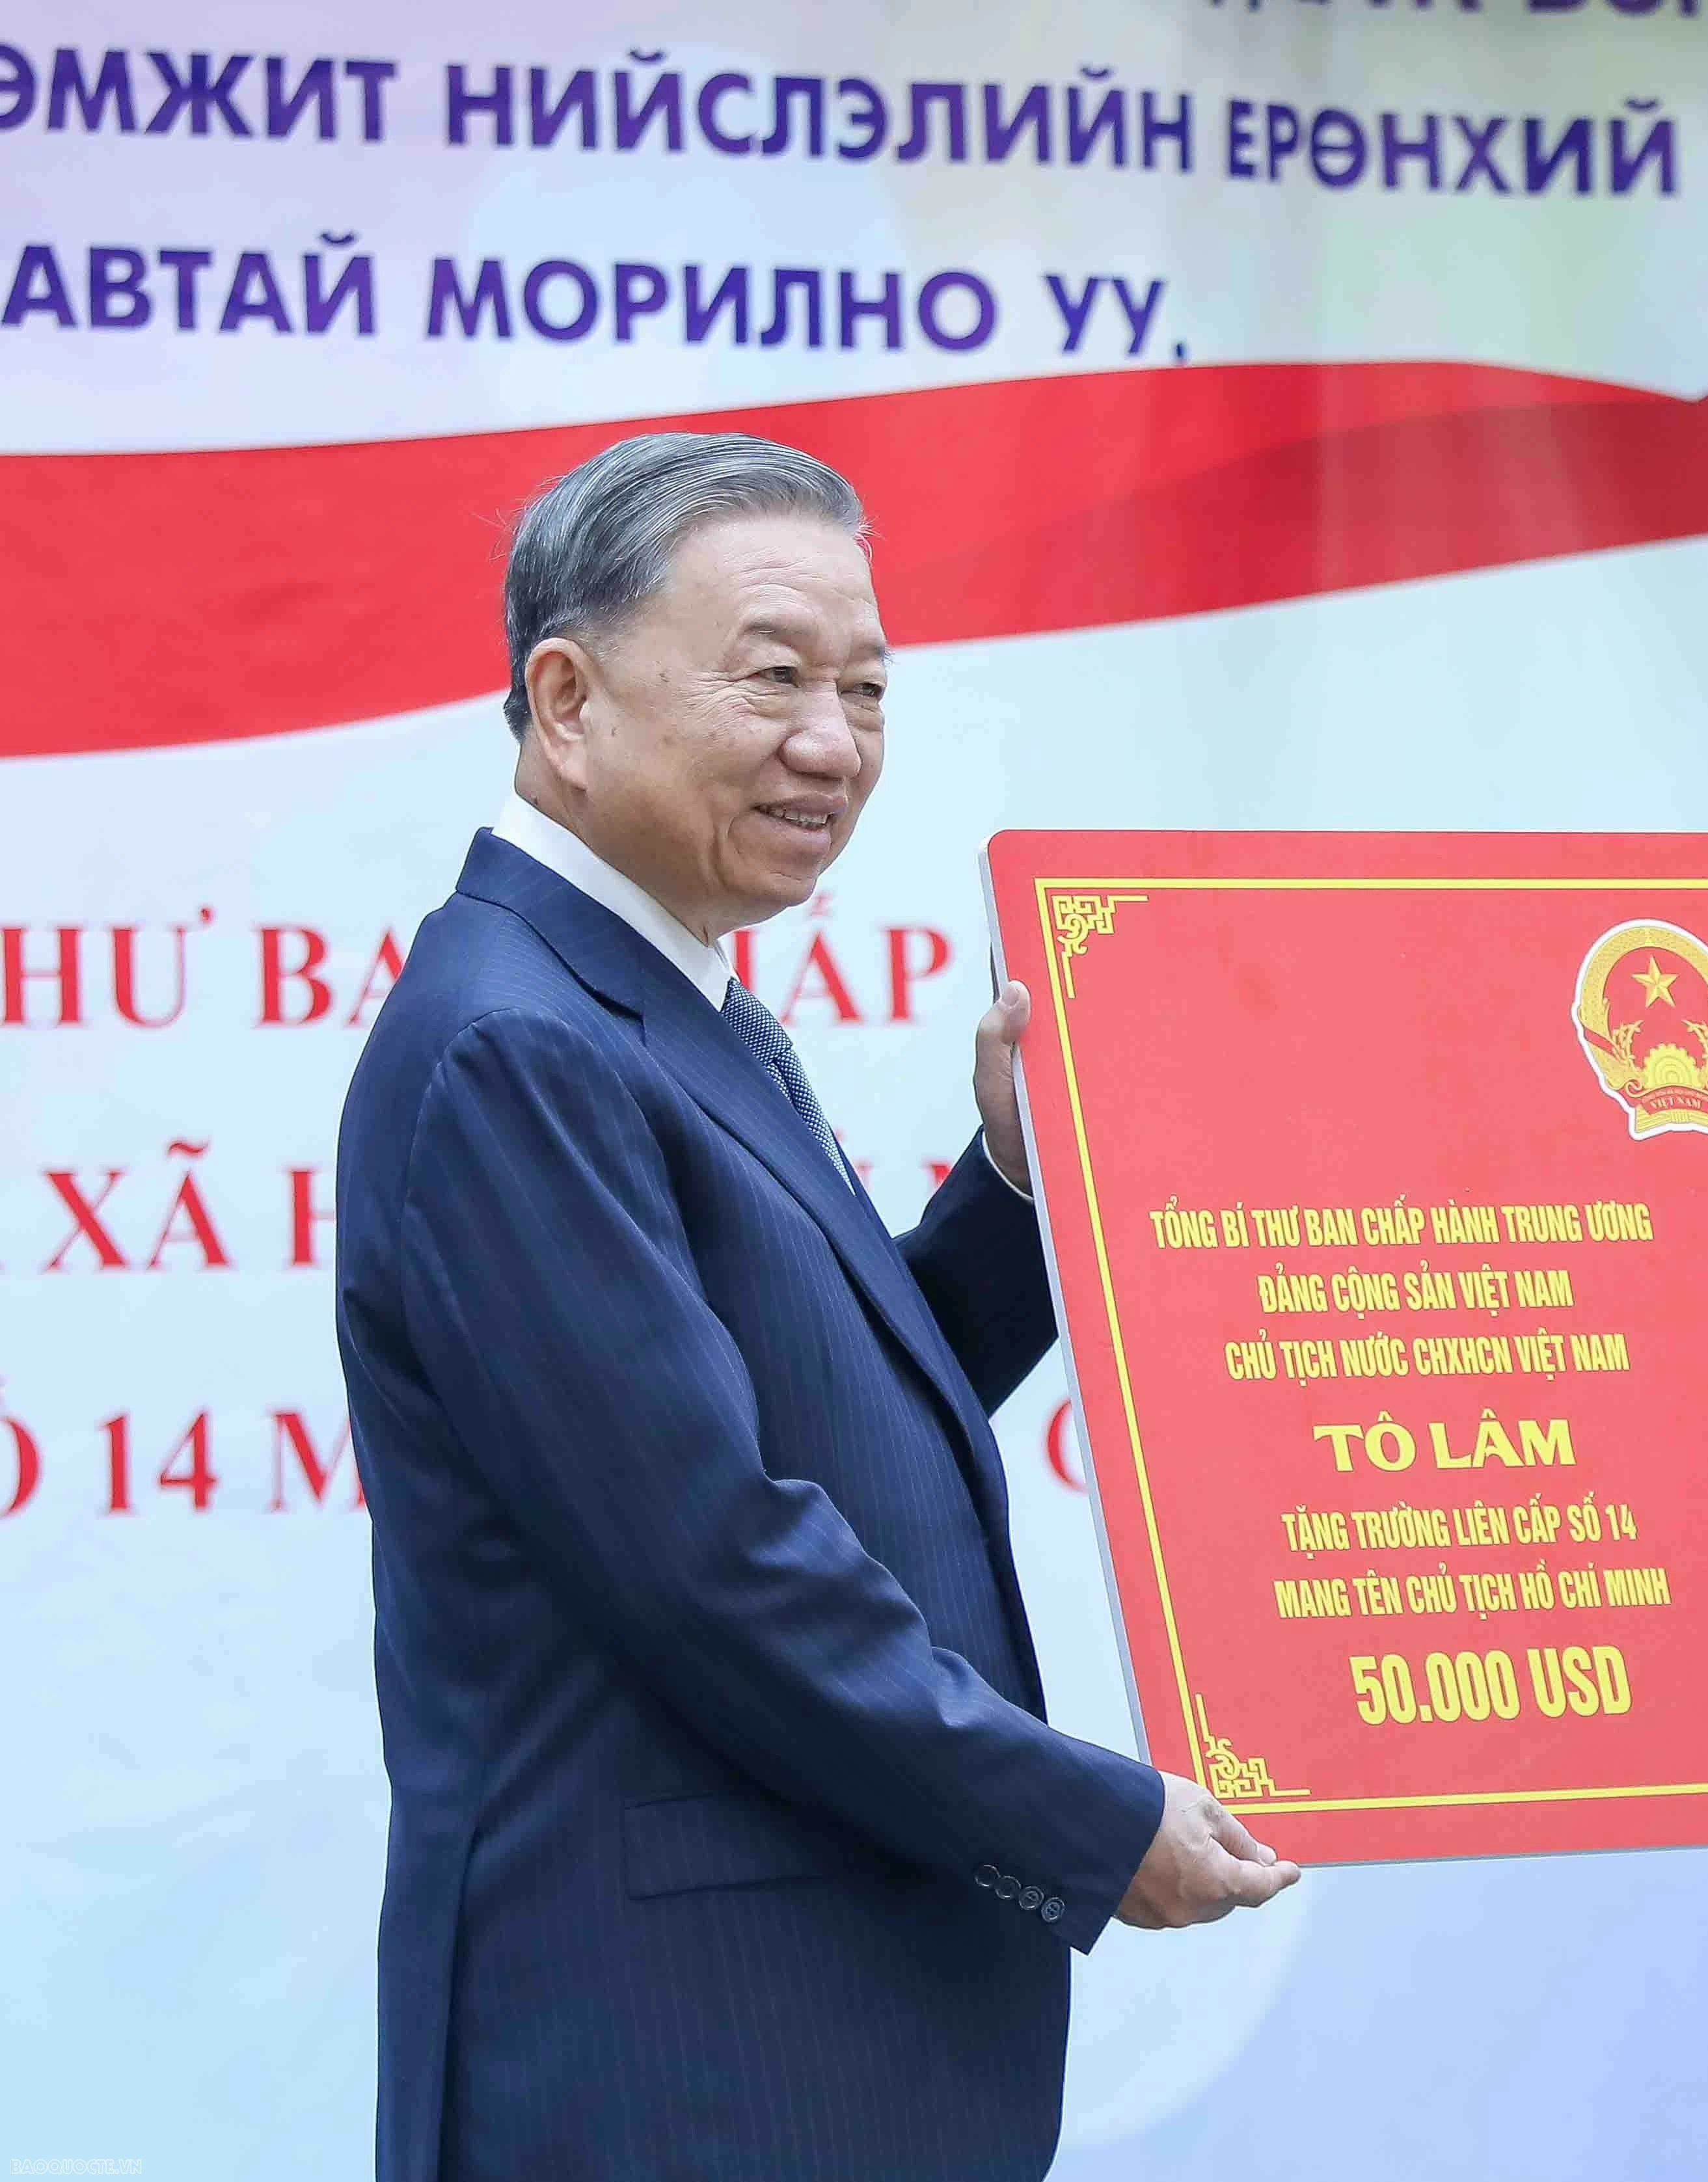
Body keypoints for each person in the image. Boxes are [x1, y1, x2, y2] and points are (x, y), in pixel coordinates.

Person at [334, 432, 1299, 2182]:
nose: (833, 744)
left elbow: (830, 1407)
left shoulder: (643, 996)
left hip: (795, 2040)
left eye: (865, 689)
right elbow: (711, 1559)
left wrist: (1015, 1185)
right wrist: (1083, 1821)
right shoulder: (518, 1043)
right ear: (567, 702)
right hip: (678, 2066)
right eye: (772, 677)